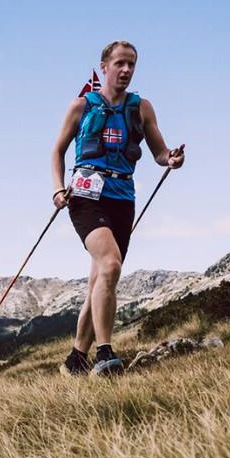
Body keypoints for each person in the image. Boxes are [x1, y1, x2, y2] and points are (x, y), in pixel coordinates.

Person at [50, 40, 184, 376]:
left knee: (99, 279)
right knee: (110, 265)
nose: (126, 70)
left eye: (132, 65)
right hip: (84, 196)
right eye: (120, 63)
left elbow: (158, 153)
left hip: (122, 197)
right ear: (104, 66)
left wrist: (172, 159)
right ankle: (105, 356)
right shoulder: (81, 106)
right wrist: (56, 189)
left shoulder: (142, 108)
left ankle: (75, 360)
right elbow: (57, 151)